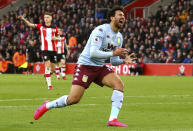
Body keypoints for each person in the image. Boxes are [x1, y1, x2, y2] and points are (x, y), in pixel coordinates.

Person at [33, 6, 136, 127]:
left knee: (119, 84)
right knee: (73, 99)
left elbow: (113, 61)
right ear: (112, 18)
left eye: (123, 16)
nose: (123, 17)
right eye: (120, 15)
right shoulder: (101, 30)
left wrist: (123, 60)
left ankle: (112, 119)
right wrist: (113, 53)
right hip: (85, 65)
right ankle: (47, 106)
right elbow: (93, 53)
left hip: (100, 67)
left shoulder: (119, 37)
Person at [18, 12, 59, 90]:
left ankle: (47, 75)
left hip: (53, 50)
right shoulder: (41, 26)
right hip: (45, 49)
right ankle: (49, 86)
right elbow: (30, 24)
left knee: (53, 70)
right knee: (47, 67)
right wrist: (23, 19)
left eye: (47, 17)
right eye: (45, 17)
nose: (46, 19)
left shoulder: (54, 28)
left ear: (51, 18)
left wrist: (56, 38)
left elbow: (58, 36)